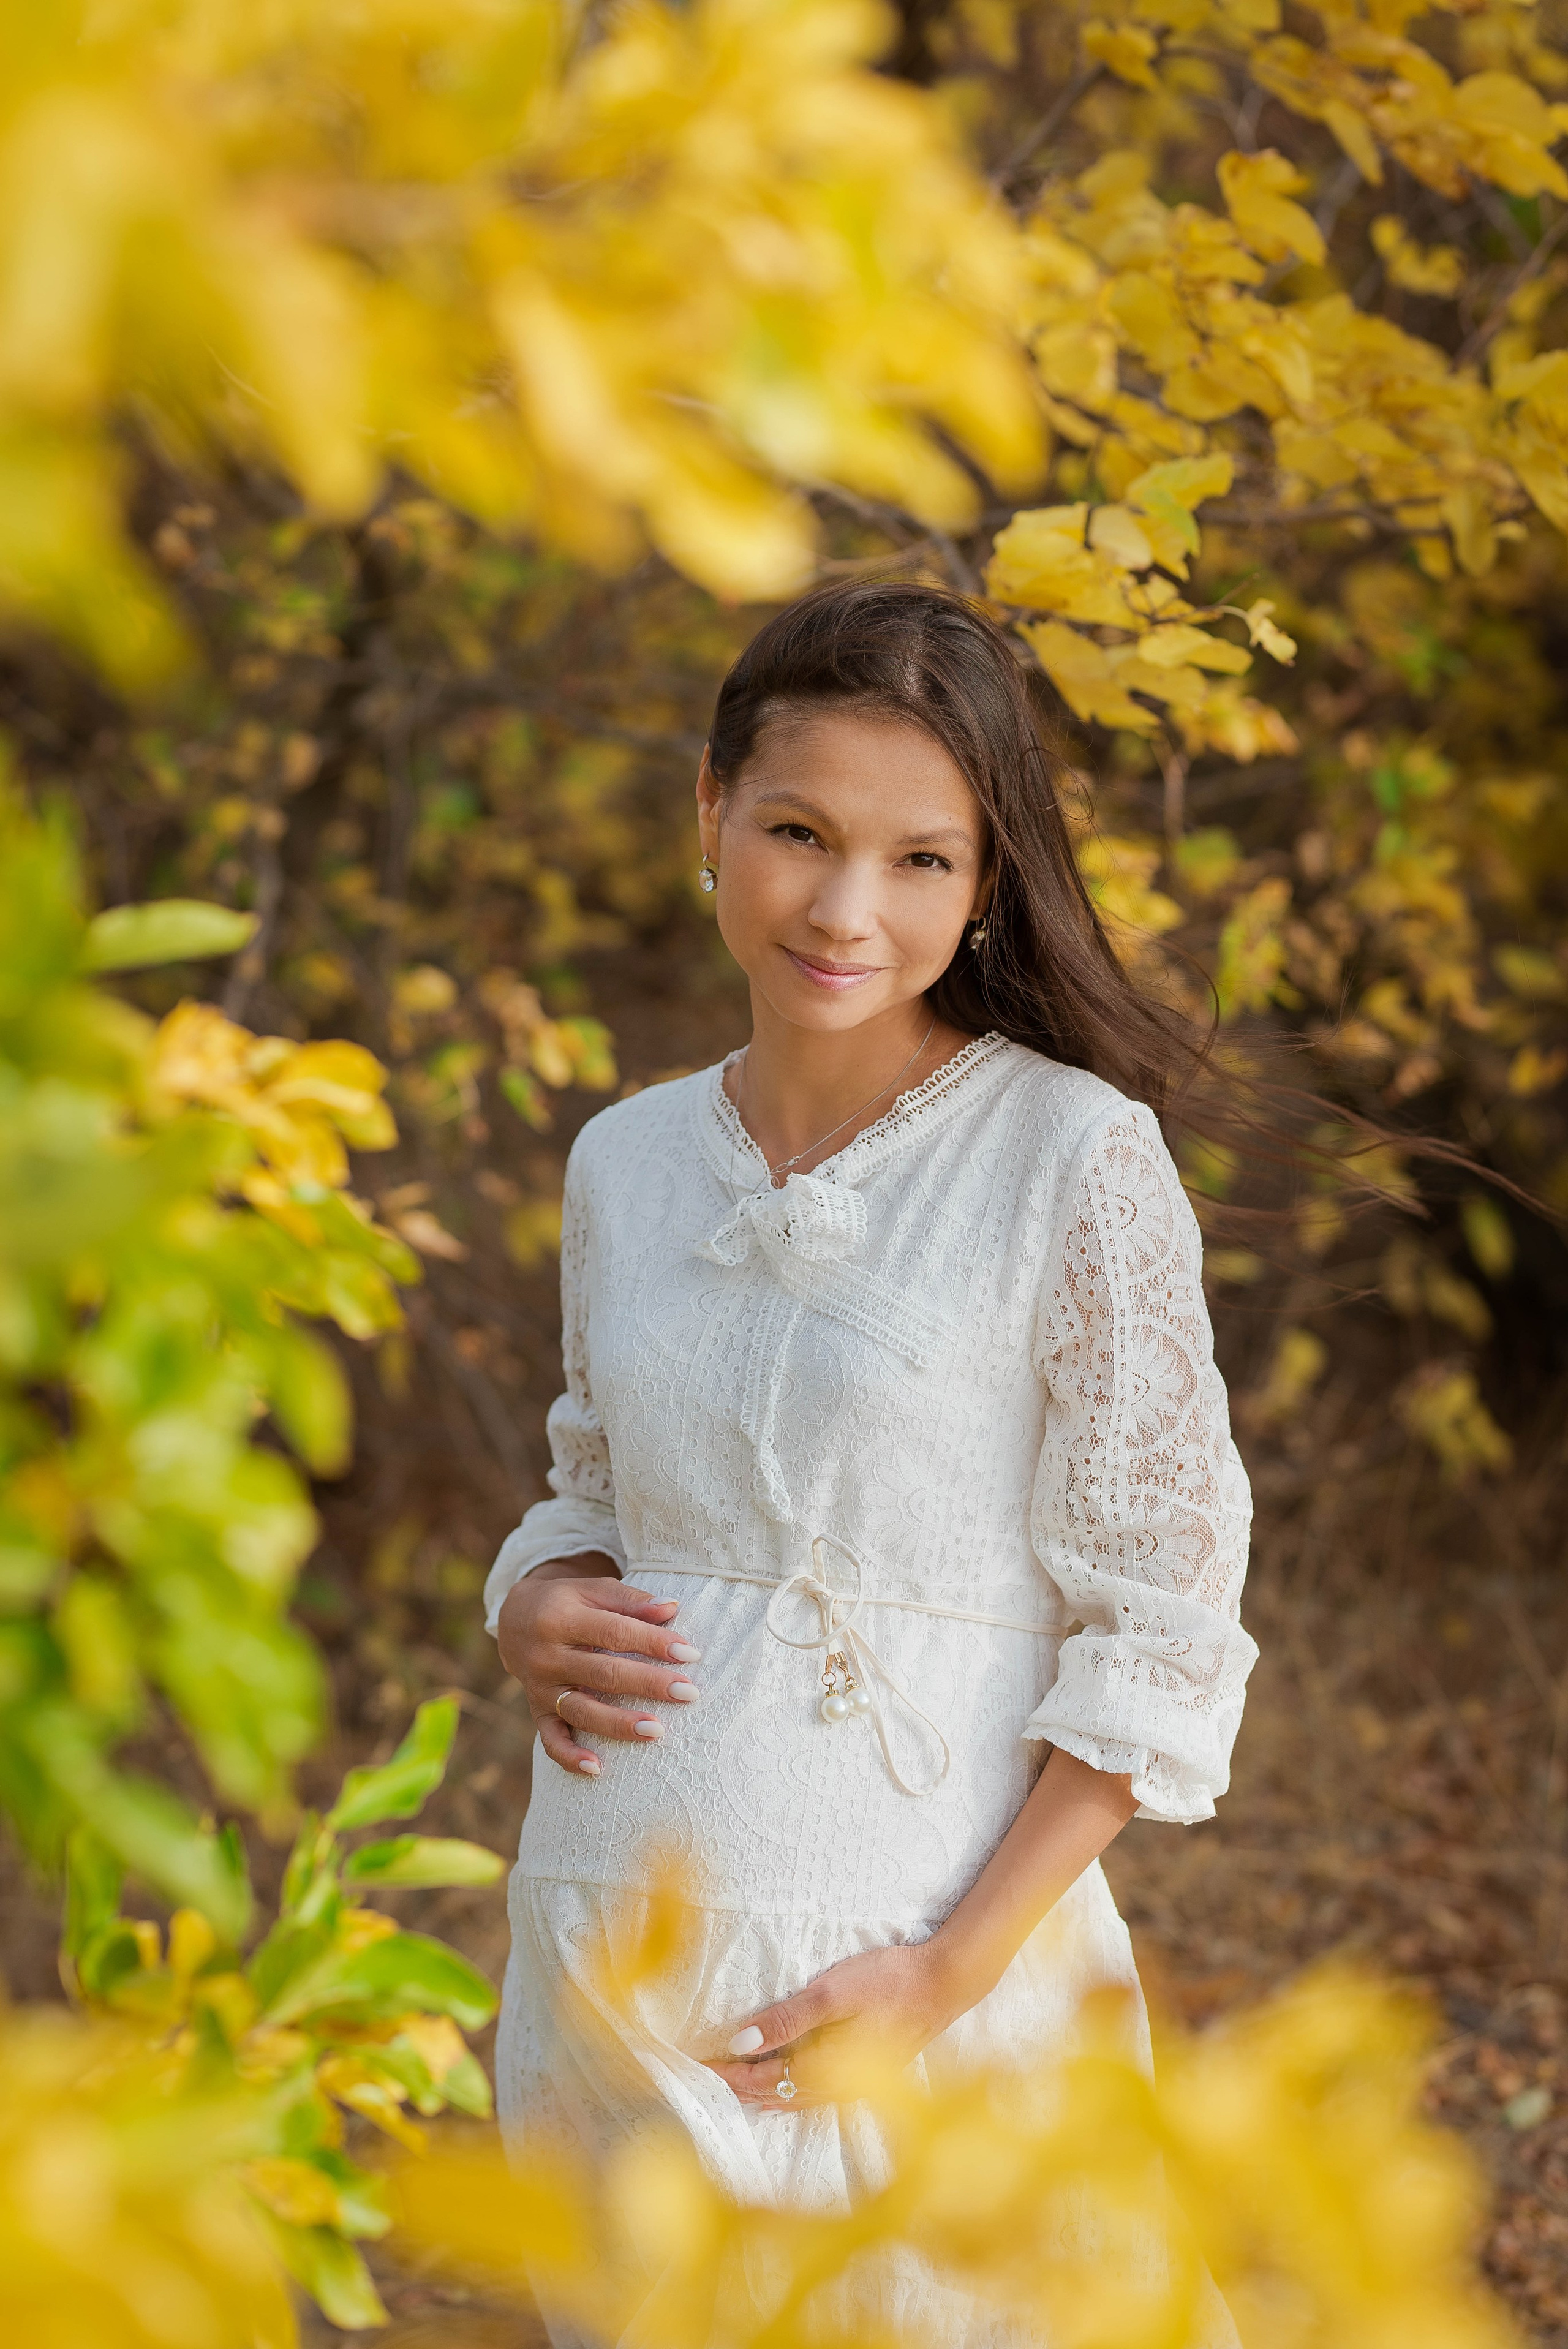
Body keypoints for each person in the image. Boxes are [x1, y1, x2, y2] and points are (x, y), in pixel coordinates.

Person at [484, 580, 1256, 2343]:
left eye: (921, 859)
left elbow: (1163, 1621)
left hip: (908, 1994)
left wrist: (945, 1977)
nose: (846, 910)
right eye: (799, 834)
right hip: (610, 1968)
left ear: (986, 883)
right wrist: (537, 1590)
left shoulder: (1070, 1156)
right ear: (711, 810)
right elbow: (599, 1483)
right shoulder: (626, 1162)